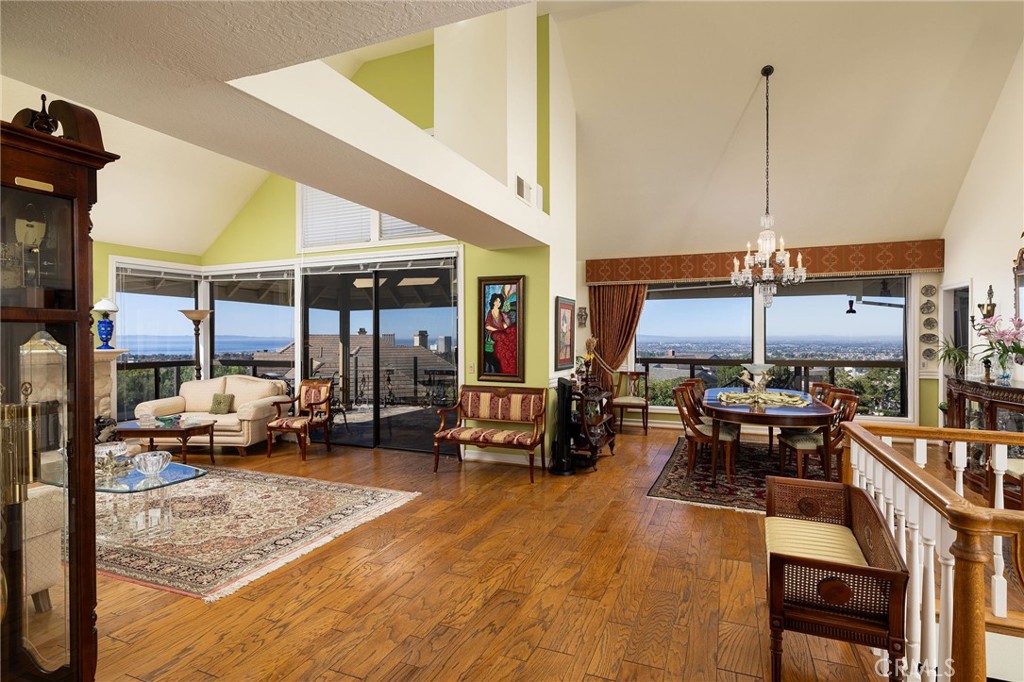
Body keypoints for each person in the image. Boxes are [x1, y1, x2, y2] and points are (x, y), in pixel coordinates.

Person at [484, 291, 517, 374]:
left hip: (501, 332)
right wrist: (496, 329)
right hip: (492, 333)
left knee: (508, 338)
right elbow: (487, 326)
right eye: (496, 301)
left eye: (499, 301)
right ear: (493, 302)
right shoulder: (490, 313)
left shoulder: (502, 313)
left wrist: (505, 324)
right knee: (502, 338)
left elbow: (505, 325)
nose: (498, 303)